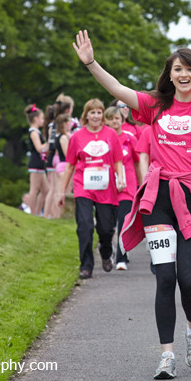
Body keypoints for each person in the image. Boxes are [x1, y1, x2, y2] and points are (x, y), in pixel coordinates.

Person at [73, 29, 191, 380]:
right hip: (159, 199)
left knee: (190, 280)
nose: (184, 75)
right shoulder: (155, 106)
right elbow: (117, 89)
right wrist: (91, 64)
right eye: (177, 69)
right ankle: (166, 355)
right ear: (169, 75)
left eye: (190, 69)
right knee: (164, 278)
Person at [58, 99, 125, 279]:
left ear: (103, 115)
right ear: (86, 115)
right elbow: (70, 166)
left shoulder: (111, 134)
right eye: (92, 112)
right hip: (83, 187)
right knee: (85, 226)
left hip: (106, 188)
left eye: (99, 112)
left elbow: (118, 160)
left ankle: (105, 252)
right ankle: (86, 265)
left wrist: (121, 179)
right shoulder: (77, 137)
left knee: (106, 228)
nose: (96, 116)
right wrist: (62, 191)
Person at [104, 106, 140, 270]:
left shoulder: (129, 138)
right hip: (107, 187)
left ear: (122, 119)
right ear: (106, 121)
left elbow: (138, 162)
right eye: (110, 119)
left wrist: (142, 185)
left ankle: (121, 258)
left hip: (127, 186)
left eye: (117, 118)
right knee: (107, 224)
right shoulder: (102, 140)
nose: (114, 122)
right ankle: (106, 250)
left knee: (124, 222)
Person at [21, 105, 49, 216]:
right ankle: (32, 213)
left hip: (40, 164)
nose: (43, 121)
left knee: (46, 190)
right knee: (34, 189)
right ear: (36, 119)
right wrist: (49, 143)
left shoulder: (37, 131)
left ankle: (37, 212)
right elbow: (39, 148)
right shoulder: (34, 132)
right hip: (35, 163)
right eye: (42, 118)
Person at [43, 114, 72, 219]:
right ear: (64, 124)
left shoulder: (58, 136)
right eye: (69, 122)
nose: (71, 125)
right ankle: (57, 215)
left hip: (60, 165)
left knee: (59, 191)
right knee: (62, 192)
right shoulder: (63, 137)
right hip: (64, 166)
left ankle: (57, 214)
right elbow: (68, 154)